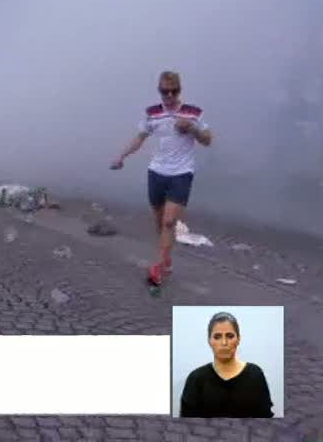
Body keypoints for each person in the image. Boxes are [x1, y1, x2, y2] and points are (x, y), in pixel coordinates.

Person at [110, 71, 212, 285]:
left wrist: (192, 128)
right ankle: (166, 259)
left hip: (182, 173)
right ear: (159, 91)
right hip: (156, 172)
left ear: (179, 90)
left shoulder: (193, 112)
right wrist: (122, 156)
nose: (169, 96)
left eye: (174, 91)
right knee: (159, 221)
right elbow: (140, 137)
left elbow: (208, 140)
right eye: (165, 91)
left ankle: (159, 266)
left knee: (169, 221)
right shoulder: (152, 113)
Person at [180, 312, 275, 418]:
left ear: (238, 339)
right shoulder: (196, 379)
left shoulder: (255, 374)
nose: (224, 343)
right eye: (217, 337)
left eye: (230, 336)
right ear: (209, 341)